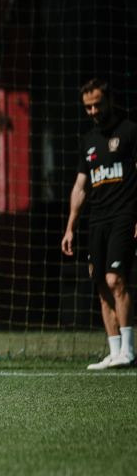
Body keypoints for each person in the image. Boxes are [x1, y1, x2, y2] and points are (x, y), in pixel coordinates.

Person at [61, 78, 137, 370]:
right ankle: (114, 351)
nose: (93, 111)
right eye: (88, 107)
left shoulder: (129, 132)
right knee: (101, 285)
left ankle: (128, 351)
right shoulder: (88, 141)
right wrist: (70, 227)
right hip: (97, 220)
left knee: (115, 280)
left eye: (97, 105)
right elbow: (81, 187)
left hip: (124, 215)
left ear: (110, 101)